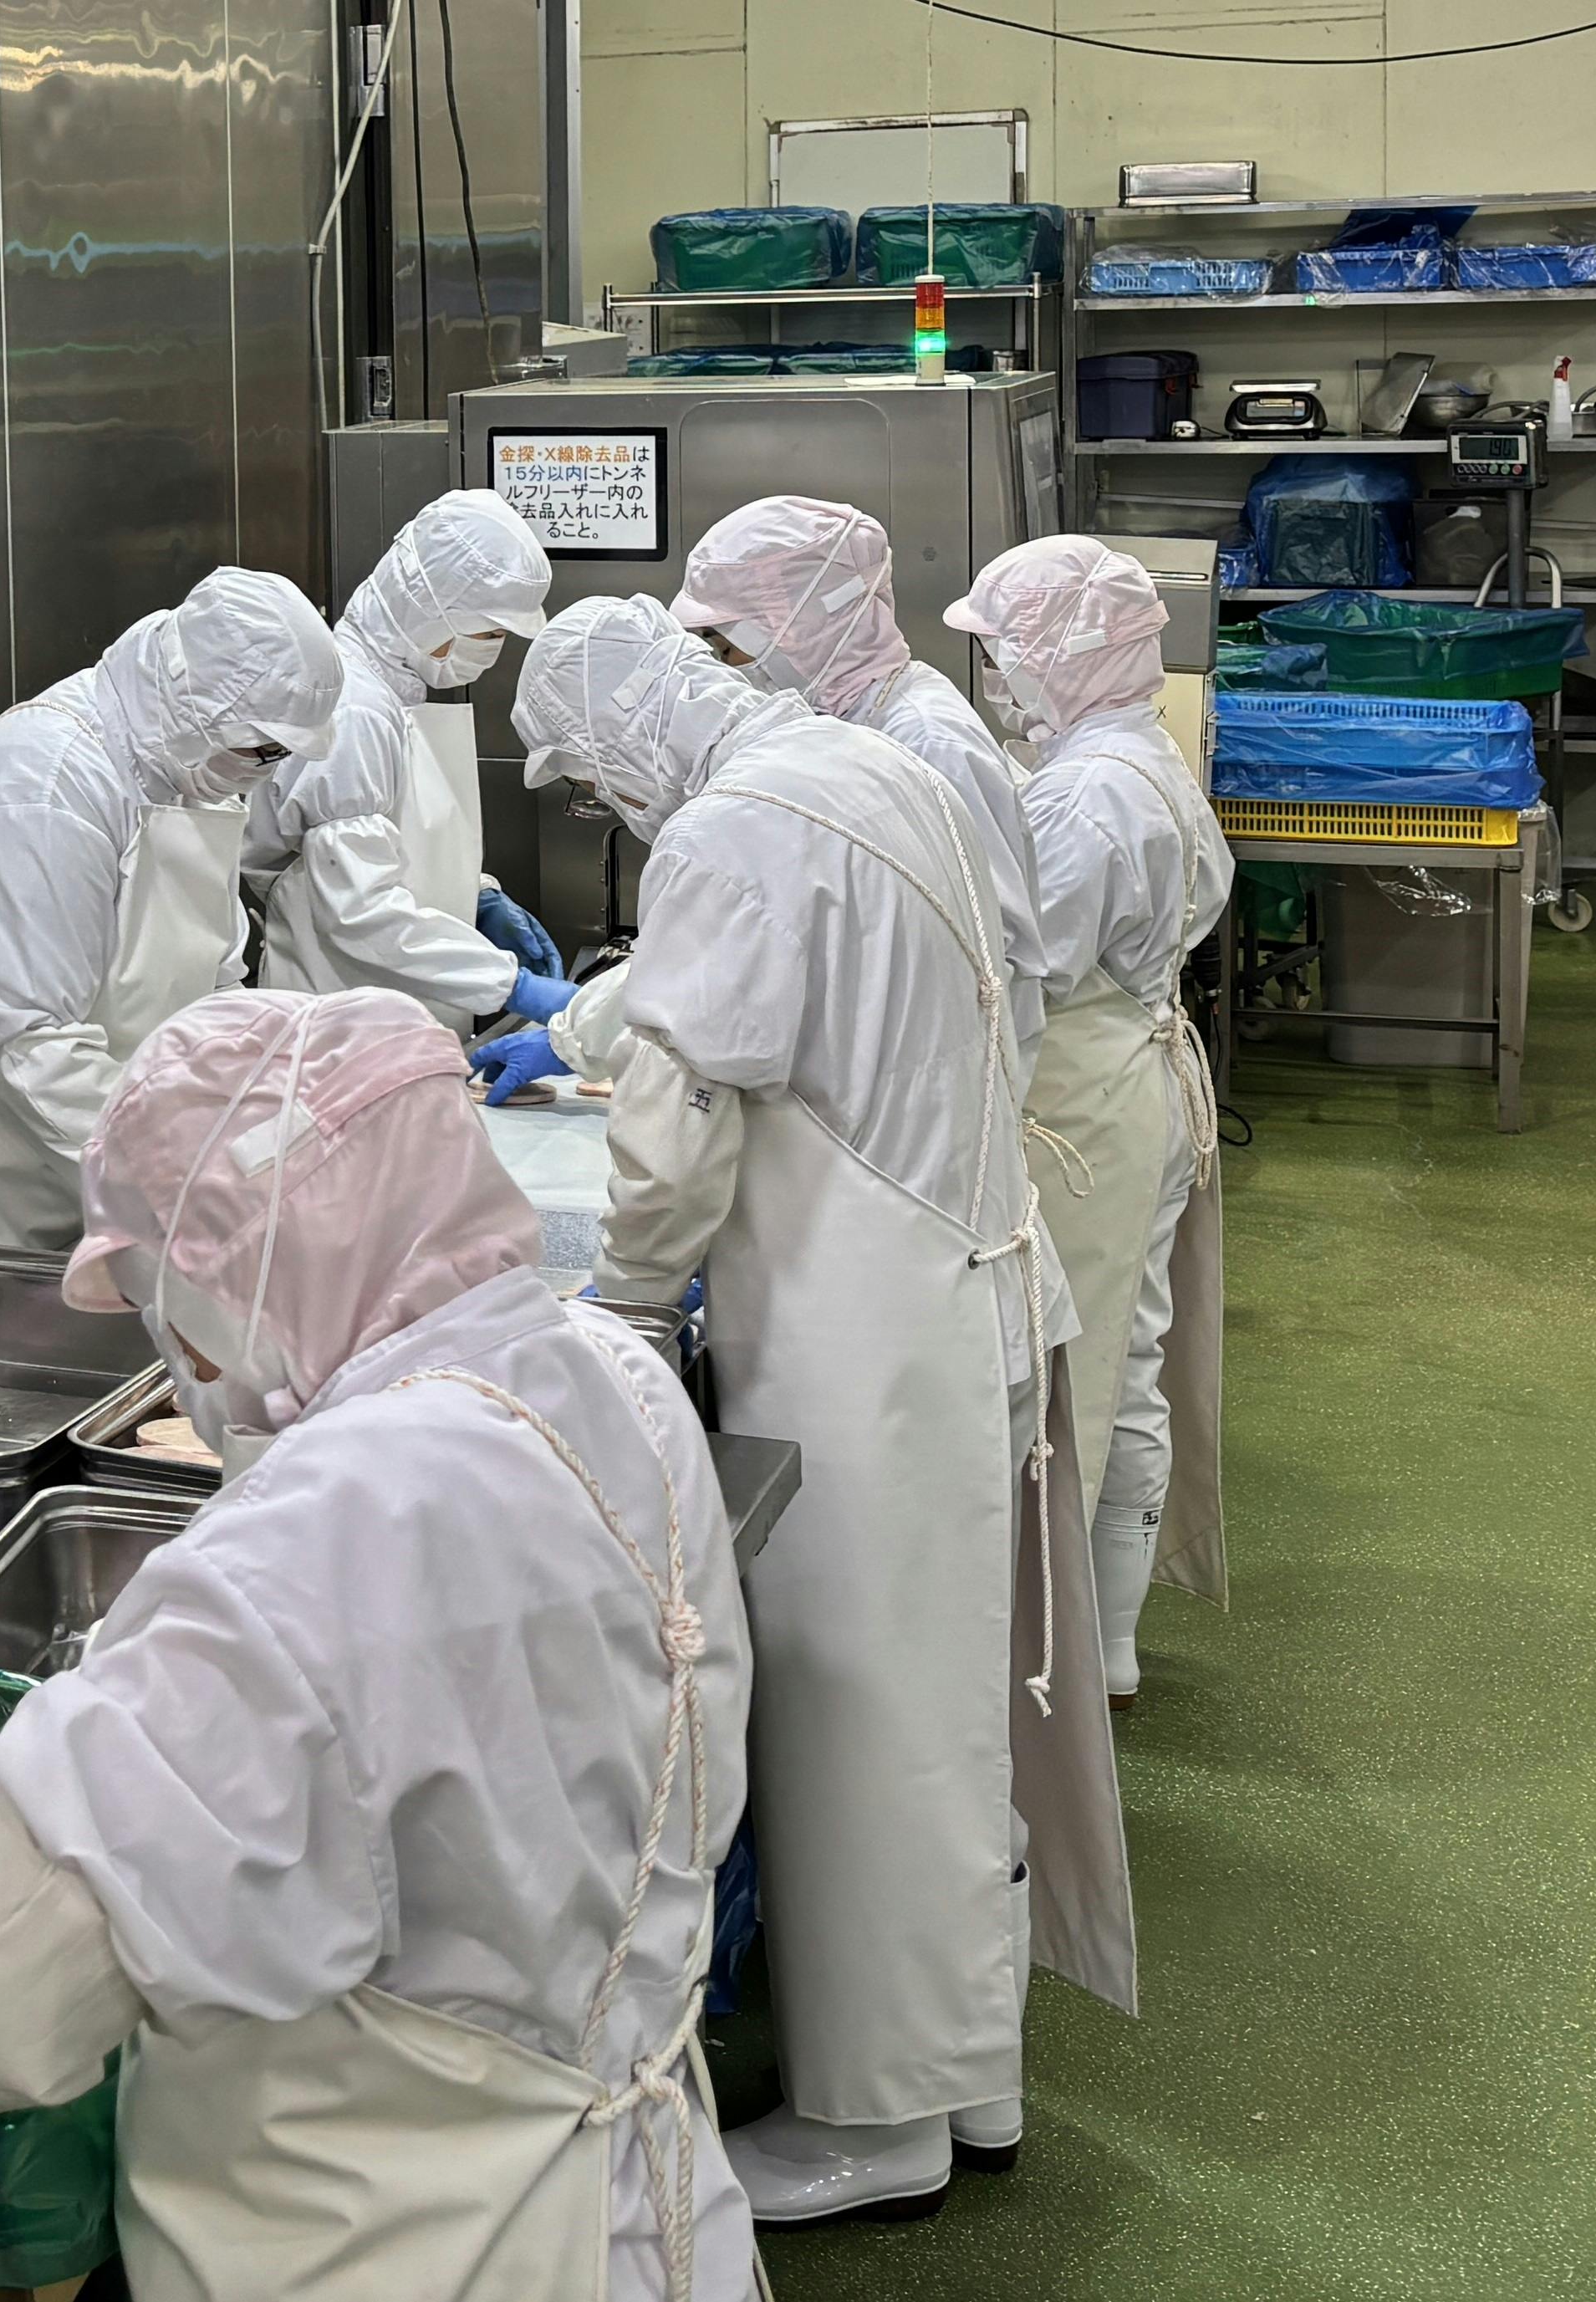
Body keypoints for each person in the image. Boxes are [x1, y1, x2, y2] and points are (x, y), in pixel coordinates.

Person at [0, 987, 758, 2302]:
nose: (178, 1355)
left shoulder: (315, 1540)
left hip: (396, 2245)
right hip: (647, 2210)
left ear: (237, 1270)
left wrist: (6, 1828)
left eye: (162, 1301)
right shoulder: (615, 1377)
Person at [511, 595, 1133, 2225]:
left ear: (627, 731)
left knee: (860, 1726)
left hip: (864, 1324)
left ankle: (879, 2122)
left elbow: (679, 1113)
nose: (603, 806)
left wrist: (625, 1303)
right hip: (961, 1279)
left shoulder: (729, 823)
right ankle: (966, 2075)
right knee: (946, 1718)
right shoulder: (862, 766)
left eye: (587, 776)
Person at [0, 567, 342, 1294]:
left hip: (69, 1153)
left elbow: (212, 987)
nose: (267, 775)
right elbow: (29, 1044)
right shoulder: (42, 783)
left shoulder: (187, 765)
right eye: (262, 751)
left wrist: (275, 1114)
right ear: (193, 699)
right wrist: (197, 1178)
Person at [956, 538, 1235, 1709]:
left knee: (1068, 1376)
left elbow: (1031, 969)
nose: (997, 677)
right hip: (1145, 1079)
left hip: (1083, 1104)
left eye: (1006, 652)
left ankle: (1060, 1653)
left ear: (1059, 653)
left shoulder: (1082, 794)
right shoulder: (1139, 755)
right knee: (1131, 1360)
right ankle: (1109, 1647)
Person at [669, 496, 1058, 1056]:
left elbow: (995, 948)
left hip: (934, 1069)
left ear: (802, 628)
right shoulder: (847, 724)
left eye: (732, 649)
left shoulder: (927, 738)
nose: (731, 671)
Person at [247, 490, 569, 1026]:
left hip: (391, 1001)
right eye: (488, 632)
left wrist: (476, 894)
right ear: (429, 610)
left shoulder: (391, 696)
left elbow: (389, 848)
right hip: (344, 1010)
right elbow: (358, 908)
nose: (493, 648)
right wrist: (511, 984)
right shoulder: (355, 709)